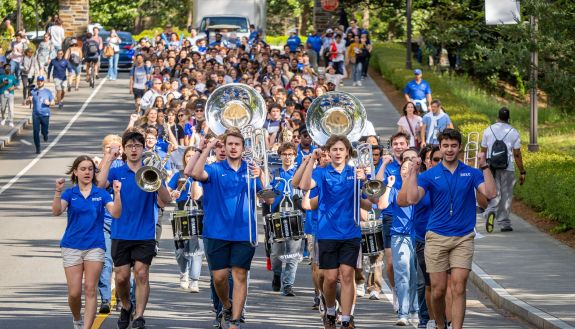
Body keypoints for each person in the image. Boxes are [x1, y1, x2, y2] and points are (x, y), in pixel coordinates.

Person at [401, 128, 496, 329]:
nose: (450, 149)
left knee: (459, 286)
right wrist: (413, 173)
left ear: (459, 147)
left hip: (463, 237)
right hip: (436, 237)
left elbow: (490, 193)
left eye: (453, 146)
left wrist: (485, 166)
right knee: (437, 290)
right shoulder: (430, 175)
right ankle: (440, 325)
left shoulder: (471, 173)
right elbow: (411, 198)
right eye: (445, 146)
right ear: (441, 147)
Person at [191, 130, 270, 329]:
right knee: (219, 277)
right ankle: (226, 305)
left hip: (244, 232)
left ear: (243, 148)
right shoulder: (215, 168)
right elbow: (195, 173)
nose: (233, 147)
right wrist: (207, 147)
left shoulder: (252, 169)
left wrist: (261, 176)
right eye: (230, 144)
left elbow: (269, 199)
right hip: (216, 231)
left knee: (240, 275)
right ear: (224, 147)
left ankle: (235, 321)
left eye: (237, 144)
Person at [97, 130, 172, 329]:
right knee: (121, 277)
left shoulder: (151, 171)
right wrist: (108, 157)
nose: (133, 149)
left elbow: (166, 200)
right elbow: (99, 183)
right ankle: (127, 306)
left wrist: (158, 181)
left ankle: (139, 316)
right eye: (129, 146)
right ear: (125, 149)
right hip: (121, 232)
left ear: (142, 148)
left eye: (137, 146)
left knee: (141, 273)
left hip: (145, 233)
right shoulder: (117, 171)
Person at [299, 135, 376, 329]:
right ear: (329, 152)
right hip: (327, 232)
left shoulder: (355, 172)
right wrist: (312, 161)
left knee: (347, 275)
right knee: (331, 278)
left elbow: (372, 202)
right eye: (334, 149)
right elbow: (304, 185)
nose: (338, 153)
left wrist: (366, 178)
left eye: (341, 149)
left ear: (348, 152)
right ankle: (331, 309)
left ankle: (347, 317)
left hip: (351, 232)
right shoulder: (322, 172)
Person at [51, 155, 122, 329]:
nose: (87, 172)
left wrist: (118, 193)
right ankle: (77, 319)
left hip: (95, 247)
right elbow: (57, 211)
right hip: (71, 246)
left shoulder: (101, 193)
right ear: (75, 172)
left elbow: (116, 213)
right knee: (74, 293)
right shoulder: (70, 193)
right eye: (82, 169)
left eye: (90, 169)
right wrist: (58, 191)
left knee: (91, 289)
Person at [378, 148, 420, 326]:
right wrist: (388, 185)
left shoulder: (420, 188)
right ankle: (403, 313)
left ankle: (415, 310)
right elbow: (382, 205)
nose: (406, 170)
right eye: (403, 168)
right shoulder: (394, 189)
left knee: (416, 276)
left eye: (409, 168)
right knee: (402, 274)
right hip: (399, 236)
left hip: (417, 236)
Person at [374, 132, 410, 312]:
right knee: (391, 263)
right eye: (395, 143)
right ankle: (397, 291)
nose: (398, 146)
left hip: (411, 216)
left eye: (401, 143)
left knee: (409, 263)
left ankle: (409, 294)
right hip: (390, 216)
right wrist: (384, 163)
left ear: (407, 145)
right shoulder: (387, 164)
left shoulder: (412, 162)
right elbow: (377, 184)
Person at [480, 107, 525, 232]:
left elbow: (483, 151)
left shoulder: (488, 130)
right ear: (508, 118)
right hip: (507, 167)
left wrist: (482, 168)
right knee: (506, 195)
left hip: (490, 167)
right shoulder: (514, 132)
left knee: (494, 192)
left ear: (497, 117)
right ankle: (504, 223)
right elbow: (516, 154)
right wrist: (522, 171)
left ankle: (490, 211)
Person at [266, 142, 302, 297]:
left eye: (290, 154)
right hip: (277, 217)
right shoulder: (274, 174)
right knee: (276, 253)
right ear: (280, 156)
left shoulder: (299, 173)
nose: (287, 157)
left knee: (293, 253)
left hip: (295, 216)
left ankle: (288, 285)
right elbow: (267, 196)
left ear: (295, 156)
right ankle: (277, 273)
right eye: (284, 154)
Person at [167, 146, 204, 293]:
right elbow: (168, 191)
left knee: (196, 249)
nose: (191, 158)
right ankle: (184, 273)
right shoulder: (179, 174)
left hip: (198, 212)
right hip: (182, 211)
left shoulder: (203, 175)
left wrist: (195, 178)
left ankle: (195, 280)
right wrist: (173, 193)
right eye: (188, 156)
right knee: (181, 250)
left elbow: (196, 195)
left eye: (194, 156)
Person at [95, 135, 125, 314]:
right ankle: (105, 299)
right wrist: (107, 159)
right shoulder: (99, 166)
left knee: (122, 264)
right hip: (105, 220)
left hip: (123, 221)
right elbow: (98, 184)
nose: (113, 151)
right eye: (109, 148)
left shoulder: (127, 165)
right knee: (105, 262)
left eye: (116, 148)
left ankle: (123, 297)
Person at [26, 75, 54, 154]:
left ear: (43, 82)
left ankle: (45, 135)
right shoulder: (33, 91)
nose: (39, 82)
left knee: (44, 131)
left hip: (45, 114)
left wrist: (49, 103)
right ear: (37, 81)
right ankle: (37, 148)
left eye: (41, 81)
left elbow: (53, 102)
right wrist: (29, 100)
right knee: (35, 131)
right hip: (36, 114)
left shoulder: (48, 91)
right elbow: (27, 102)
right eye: (38, 80)